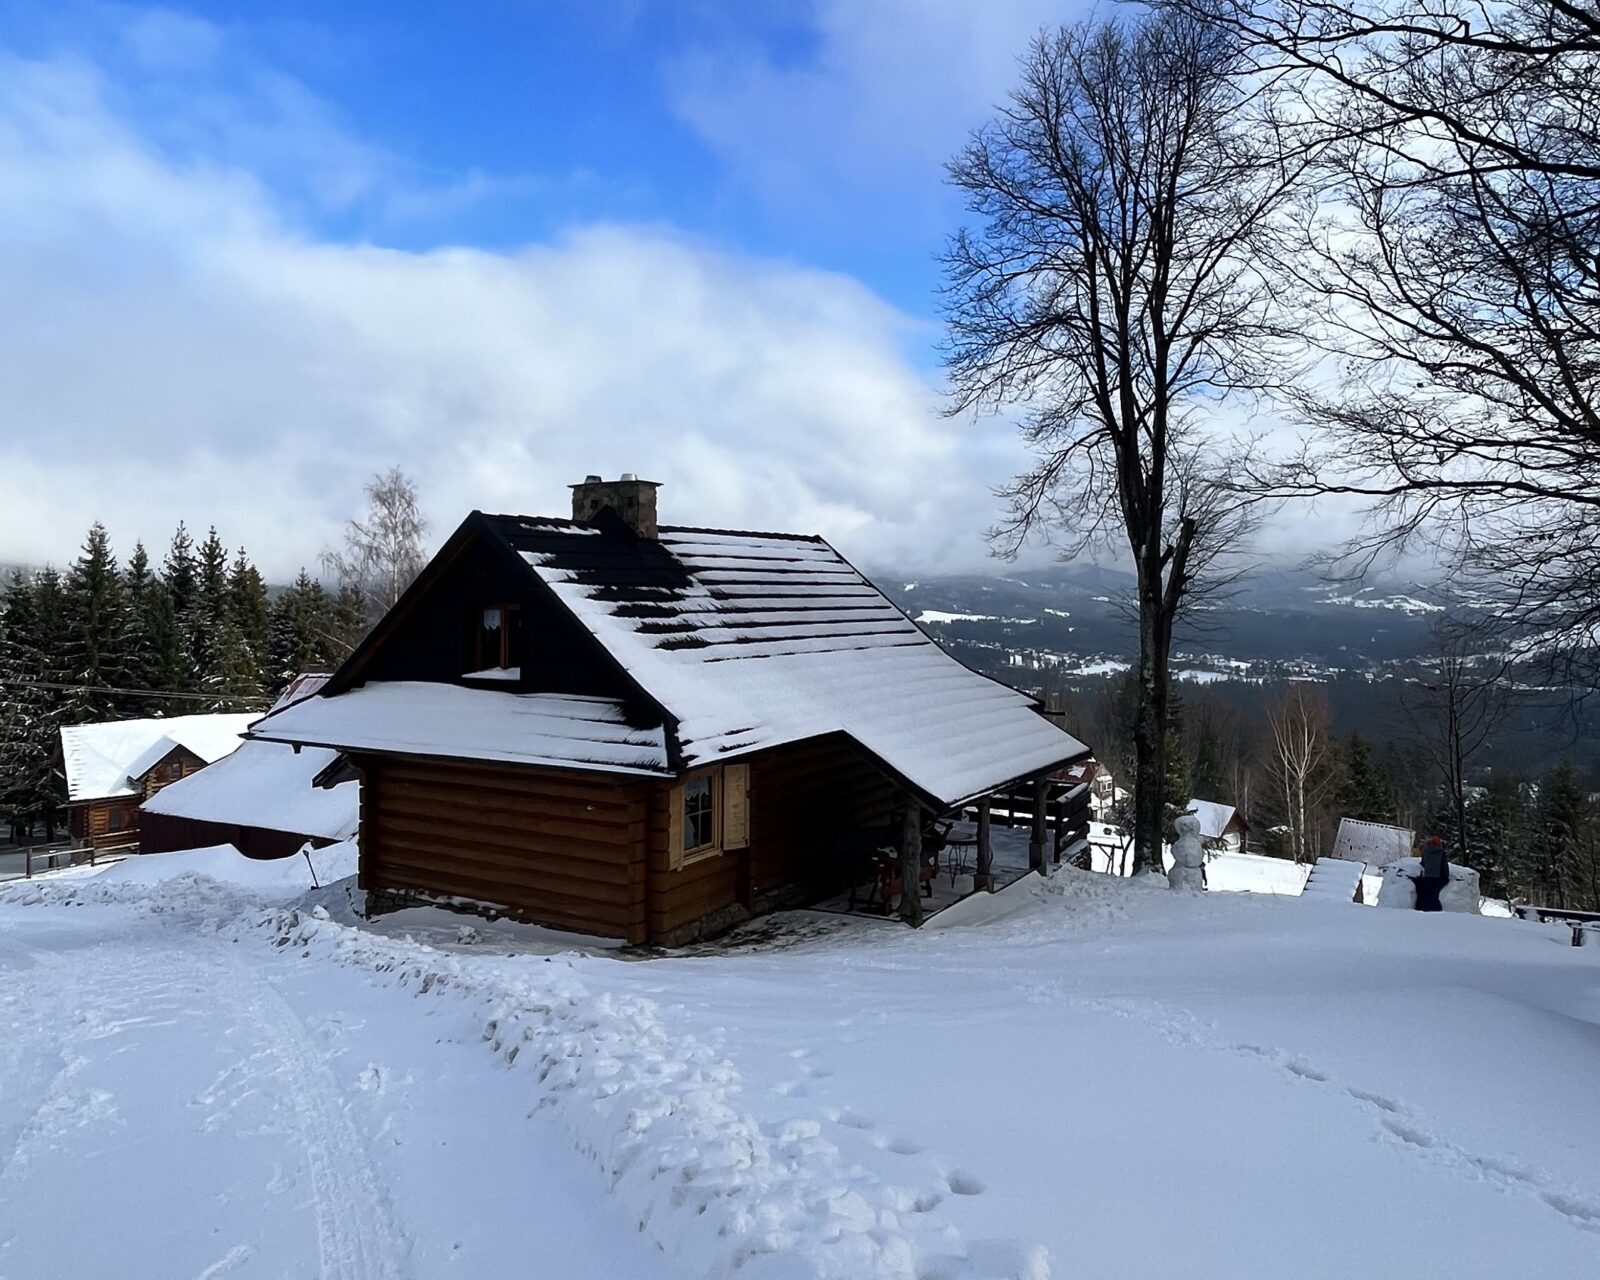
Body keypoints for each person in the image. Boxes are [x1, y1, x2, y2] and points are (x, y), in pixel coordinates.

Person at [1416, 835, 1449, 912]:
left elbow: (1423, 863)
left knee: (1426, 894)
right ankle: (1437, 911)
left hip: (1427, 876)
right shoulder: (1441, 853)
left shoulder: (1426, 851)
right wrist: (1446, 877)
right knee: (1434, 896)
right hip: (1438, 877)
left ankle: (1423, 908)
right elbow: (1444, 866)